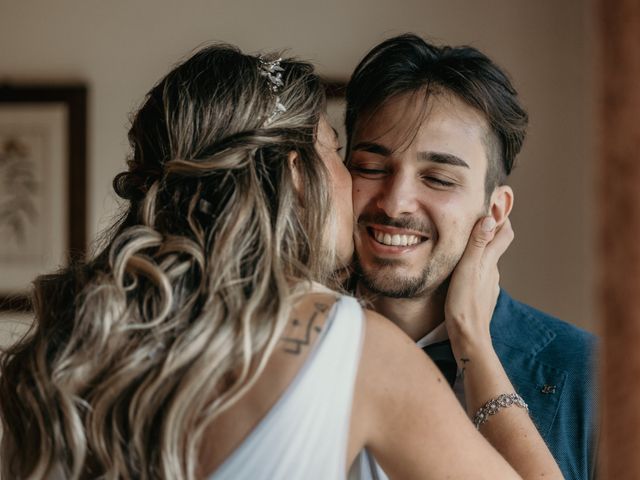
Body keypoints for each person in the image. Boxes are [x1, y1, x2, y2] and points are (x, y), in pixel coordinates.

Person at [0, 44, 561, 479]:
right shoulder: (354, 349)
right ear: (298, 173)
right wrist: (473, 341)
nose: (380, 199)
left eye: (438, 177)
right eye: (340, 155)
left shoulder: (70, 340)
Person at [345, 34, 597, 480]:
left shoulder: (590, 376)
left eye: (438, 178)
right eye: (370, 168)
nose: (395, 202)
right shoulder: (282, 342)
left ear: (494, 212)